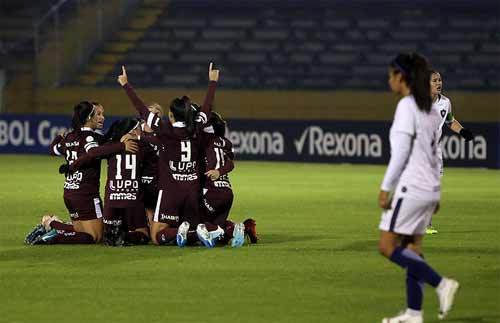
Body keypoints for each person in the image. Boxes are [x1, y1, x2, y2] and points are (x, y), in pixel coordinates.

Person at [378, 53, 459, 323]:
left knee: (387, 246)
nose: (389, 80)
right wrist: (437, 191)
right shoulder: (428, 108)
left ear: (402, 77)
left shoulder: (407, 106)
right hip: (429, 188)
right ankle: (414, 313)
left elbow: (400, 154)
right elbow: (434, 152)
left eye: (391, 75)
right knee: (412, 249)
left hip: (411, 187)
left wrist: (385, 187)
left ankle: (441, 283)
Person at [118, 63, 219, 247]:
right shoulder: (196, 127)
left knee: (157, 236)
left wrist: (126, 84)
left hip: (170, 191)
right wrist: (212, 82)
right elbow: (207, 107)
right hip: (192, 191)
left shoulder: (164, 130)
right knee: (192, 227)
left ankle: (186, 232)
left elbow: (141, 109)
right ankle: (208, 232)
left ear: (171, 115)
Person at [25, 101, 137, 245]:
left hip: (70, 193)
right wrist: (122, 146)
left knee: (82, 233)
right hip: (86, 195)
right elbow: (93, 152)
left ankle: (51, 224)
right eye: (98, 114)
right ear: (89, 117)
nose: (102, 117)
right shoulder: (90, 138)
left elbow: (53, 150)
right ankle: (53, 231)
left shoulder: (70, 137)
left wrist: (59, 137)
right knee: (95, 237)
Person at [68, 118, 150, 246]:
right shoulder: (142, 146)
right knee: (144, 234)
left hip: (111, 202)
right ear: (133, 131)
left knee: (102, 232)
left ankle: (114, 234)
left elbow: (92, 153)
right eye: (139, 128)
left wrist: (71, 166)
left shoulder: (110, 147)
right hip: (132, 200)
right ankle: (124, 236)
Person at [425, 70, 474, 234]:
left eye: (440, 80)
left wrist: (462, 131)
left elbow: (450, 121)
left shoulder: (445, 103)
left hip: (435, 153)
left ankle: (425, 224)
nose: (439, 83)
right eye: (434, 80)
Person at [200, 112, 258, 247]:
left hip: (212, 191)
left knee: (198, 223)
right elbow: (231, 163)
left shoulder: (204, 143)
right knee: (219, 237)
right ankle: (242, 228)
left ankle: (235, 229)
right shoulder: (226, 143)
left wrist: (215, 172)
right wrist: (220, 171)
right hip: (227, 192)